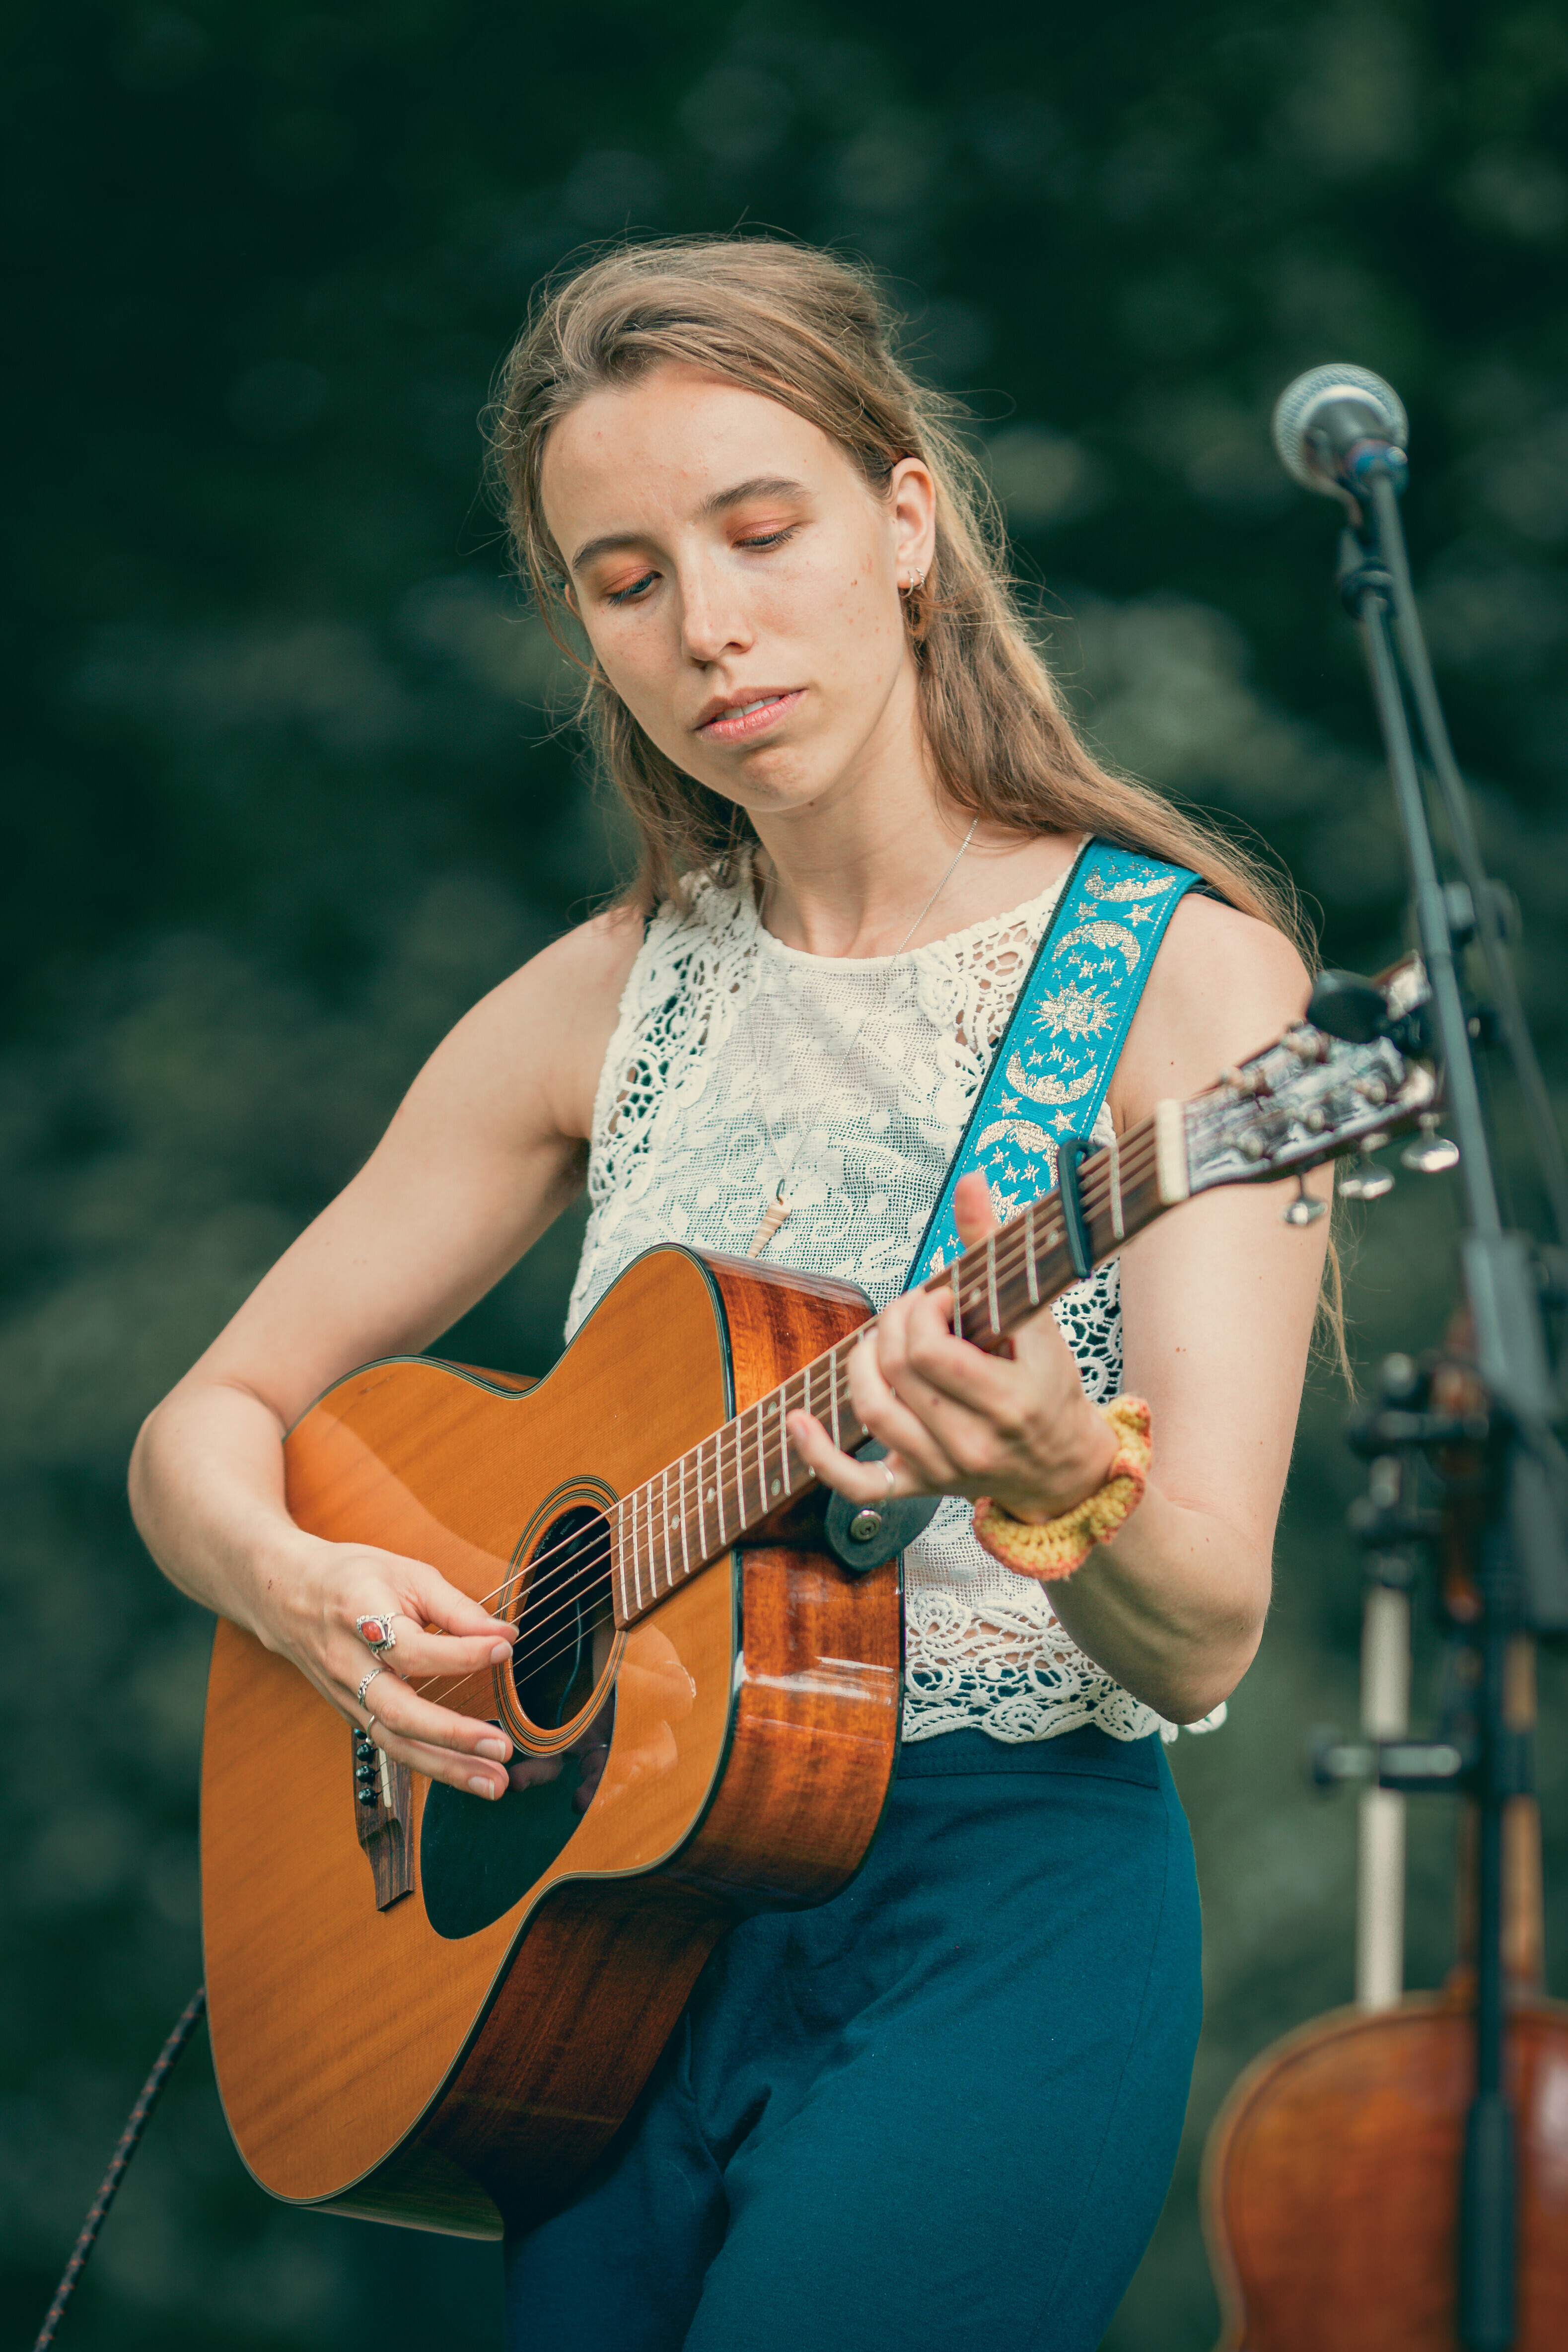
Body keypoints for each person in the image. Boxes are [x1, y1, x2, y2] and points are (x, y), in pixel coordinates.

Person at [130, 238, 1330, 2351]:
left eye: (758, 532)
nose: (706, 625)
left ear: (903, 521)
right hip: (610, 1944)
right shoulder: (600, 1001)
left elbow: (1205, 1614)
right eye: (622, 578)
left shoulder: (1186, 989)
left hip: (993, 1909)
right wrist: (293, 1586)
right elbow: (202, 1425)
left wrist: (1055, 1478)